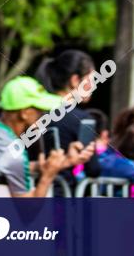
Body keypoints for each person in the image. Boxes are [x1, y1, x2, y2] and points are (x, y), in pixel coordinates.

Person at [0, 76, 81, 197]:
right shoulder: (14, 153)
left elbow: (3, 167)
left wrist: (64, 162)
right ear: (25, 113)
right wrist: (48, 176)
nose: (44, 117)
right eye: (40, 111)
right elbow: (29, 211)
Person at [36, 50, 101, 189]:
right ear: (75, 80)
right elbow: (93, 169)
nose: (94, 86)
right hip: (61, 197)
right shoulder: (82, 119)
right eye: (92, 80)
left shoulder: (32, 111)